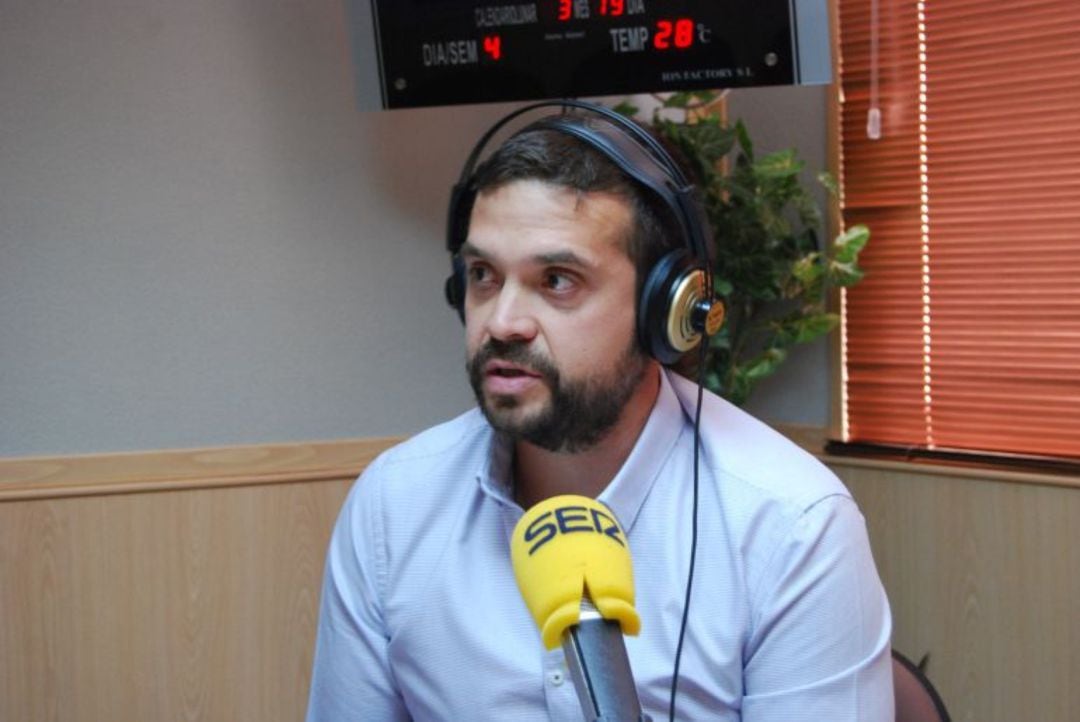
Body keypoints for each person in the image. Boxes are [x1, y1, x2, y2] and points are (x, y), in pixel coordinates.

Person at [306, 103, 894, 721]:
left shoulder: (791, 527)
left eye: (558, 280)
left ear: (663, 311)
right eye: (483, 275)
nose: (502, 321)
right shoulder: (391, 507)